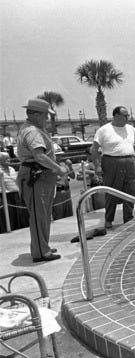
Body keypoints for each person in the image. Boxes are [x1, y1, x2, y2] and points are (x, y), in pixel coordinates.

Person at [15, 99, 69, 262]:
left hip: (39, 176)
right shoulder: (33, 132)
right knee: (40, 215)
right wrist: (58, 169)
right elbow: (39, 155)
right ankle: (40, 252)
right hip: (36, 176)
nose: (47, 118)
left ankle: (42, 245)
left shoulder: (33, 128)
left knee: (43, 214)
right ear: (36, 114)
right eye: (46, 115)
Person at [91, 105, 135, 229]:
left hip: (129, 161)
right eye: (125, 115)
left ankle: (128, 218)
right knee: (112, 192)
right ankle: (109, 219)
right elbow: (94, 149)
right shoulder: (104, 130)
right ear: (117, 116)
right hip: (111, 162)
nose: (127, 118)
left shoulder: (130, 128)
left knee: (131, 191)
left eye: (128, 115)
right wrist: (97, 166)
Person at [0, 151, 29, 233]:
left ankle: (17, 231)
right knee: (8, 216)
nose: (9, 160)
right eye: (6, 159)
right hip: (5, 196)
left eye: (9, 158)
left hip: (16, 195)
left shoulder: (12, 169)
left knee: (18, 215)